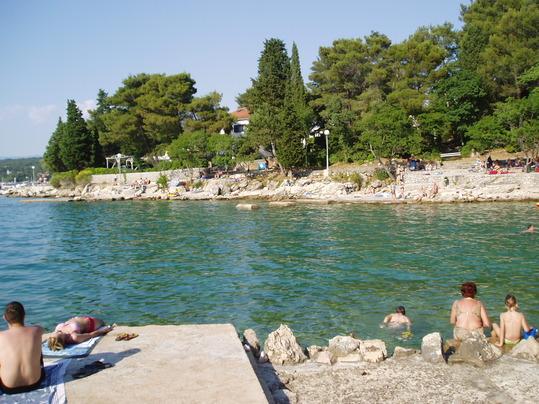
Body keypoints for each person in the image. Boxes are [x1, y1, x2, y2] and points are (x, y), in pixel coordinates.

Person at [0, 302, 45, 394]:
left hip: (8, 387)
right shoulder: (37, 330)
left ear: (4, 318)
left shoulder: (1, 336)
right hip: (35, 383)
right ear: (24, 316)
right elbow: (41, 329)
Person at [47, 316, 113, 351]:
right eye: (58, 332)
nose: (57, 331)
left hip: (81, 318)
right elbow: (91, 335)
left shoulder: (57, 332)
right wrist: (103, 331)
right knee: (103, 321)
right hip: (92, 323)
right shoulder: (74, 337)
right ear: (62, 339)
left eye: (55, 332)